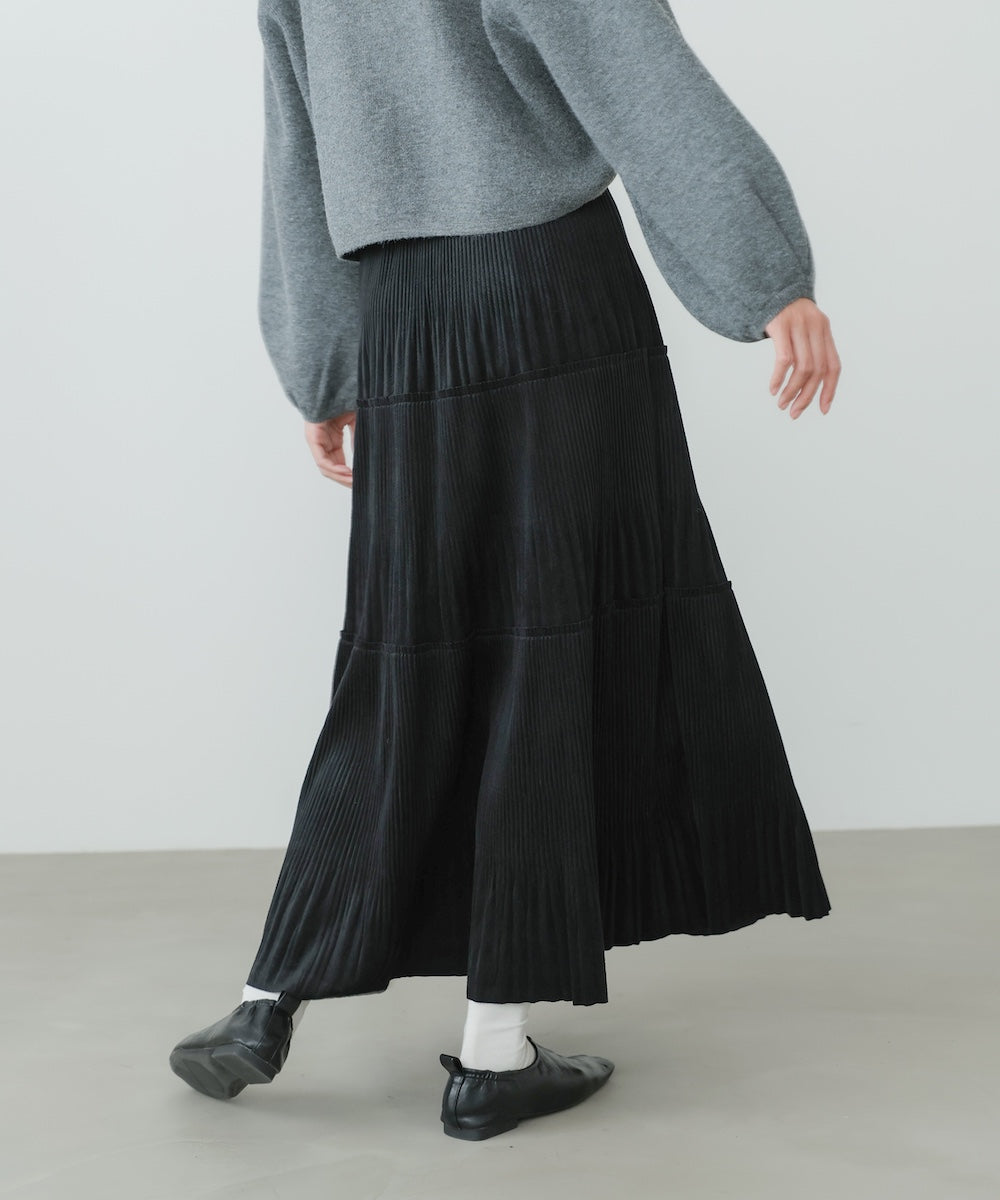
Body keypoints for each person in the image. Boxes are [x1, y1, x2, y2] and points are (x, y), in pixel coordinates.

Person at [168, 0, 840, 1142]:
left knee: (402, 660)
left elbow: (300, 145)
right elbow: (632, 69)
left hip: (400, 321)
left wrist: (324, 361)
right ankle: (492, 1051)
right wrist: (767, 276)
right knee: (546, 651)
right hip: (546, 293)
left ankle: (267, 999)